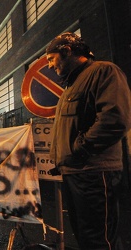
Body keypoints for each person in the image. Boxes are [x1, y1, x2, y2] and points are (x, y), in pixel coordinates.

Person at [47, 32, 131, 250]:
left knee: (99, 240)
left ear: (66, 51)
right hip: (76, 172)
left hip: (95, 173)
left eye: (51, 58)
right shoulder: (70, 86)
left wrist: (78, 150)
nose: (49, 66)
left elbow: (115, 118)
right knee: (86, 238)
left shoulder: (103, 71)